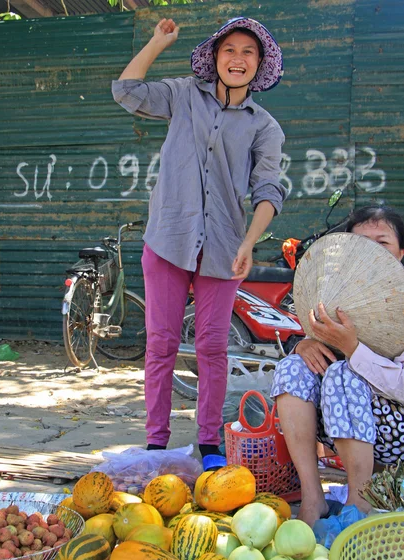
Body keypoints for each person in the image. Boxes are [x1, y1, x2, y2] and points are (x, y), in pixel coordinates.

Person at [112, 17, 287, 470]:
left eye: (249, 52)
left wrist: (250, 242)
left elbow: (269, 191)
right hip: (168, 239)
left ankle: (209, 442)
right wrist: (156, 42)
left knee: (212, 347)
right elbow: (127, 91)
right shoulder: (184, 94)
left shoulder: (265, 127)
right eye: (229, 50)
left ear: (259, 66)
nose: (238, 59)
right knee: (161, 343)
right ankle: (157, 443)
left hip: (226, 248)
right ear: (215, 58)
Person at [271, 205, 404, 526]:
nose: (372, 251)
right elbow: (310, 355)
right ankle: (313, 496)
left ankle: (360, 503)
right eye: (362, 243)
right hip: (340, 424)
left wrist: (354, 350)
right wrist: (304, 345)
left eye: (382, 242)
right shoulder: (336, 297)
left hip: (395, 434)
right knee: (291, 368)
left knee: (343, 373)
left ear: (400, 254)